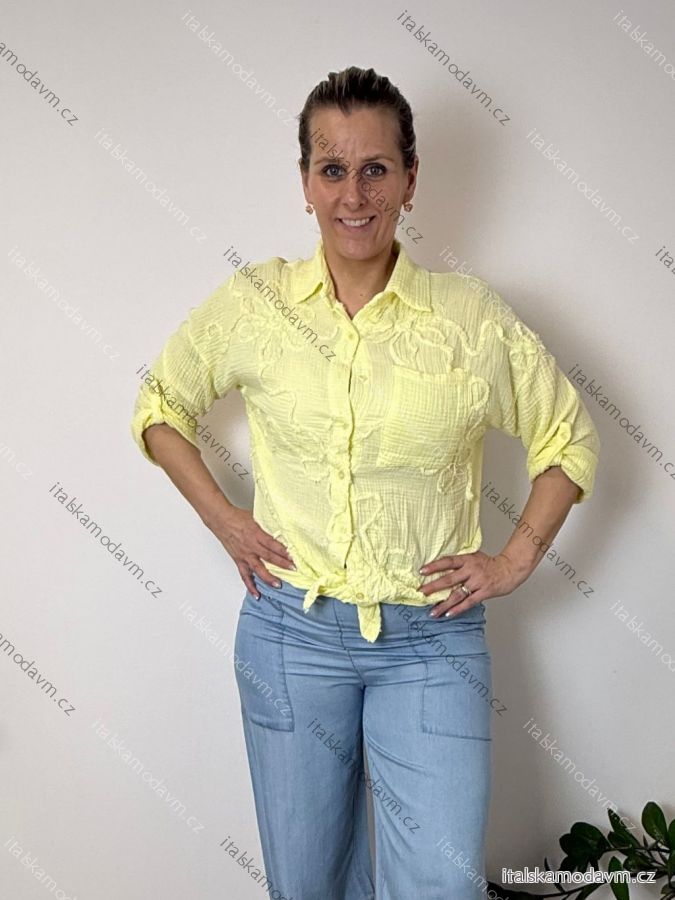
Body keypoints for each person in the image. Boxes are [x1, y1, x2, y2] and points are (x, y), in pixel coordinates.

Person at [131, 66, 600, 900]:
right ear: (305, 183)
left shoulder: (467, 318)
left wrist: (512, 561)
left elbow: (567, 440)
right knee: (307, 884)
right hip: (290, 635)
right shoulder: (258, 302)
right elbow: (160, 408)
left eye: (376, 169)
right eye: (332, 169)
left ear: (410, 180)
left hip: (431, 643)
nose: (354, 194)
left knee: (440, 884)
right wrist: (225, 520)